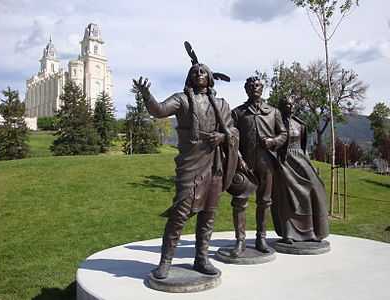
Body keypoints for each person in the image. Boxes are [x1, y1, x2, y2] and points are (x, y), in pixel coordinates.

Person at [133, 61, 238, 279]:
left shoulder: (221, 104)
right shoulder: (182, 100)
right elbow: (159, 110)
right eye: (195, 71)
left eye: (203, 71)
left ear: (209, 77)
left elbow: (233, 130)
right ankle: (165, 261)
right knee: (180, 214)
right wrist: (146, 95)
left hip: (214, 165)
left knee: (208, 215)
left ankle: (201, 258)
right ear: (189, 78)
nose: (199, 74)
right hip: (191, 164)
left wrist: (223, 136)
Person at [230, 76, 287, 256]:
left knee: (264, 202)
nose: (254, 88)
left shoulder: (273, 112)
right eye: (251, 86)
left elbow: (283, 134)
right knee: (240, 202)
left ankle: (261, 238)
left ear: (262, 88)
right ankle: (240, 241)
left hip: (266, 163)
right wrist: (238, 157)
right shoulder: (238, 113)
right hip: (244, 165)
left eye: (257, 85)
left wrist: (272, 142)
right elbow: (231, 137)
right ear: (246, 89)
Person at [272, 93, 329, 243]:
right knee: (287, 197)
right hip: (283, 162)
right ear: (281, 107)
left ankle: (310, 232)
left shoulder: (301, 124)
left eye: (291, 104)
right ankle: (288, 233)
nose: (289, 107)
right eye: (286, 104)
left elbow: (304, 149)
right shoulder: (275, 123)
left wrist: (309, 165)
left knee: (313, 189)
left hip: (300, 160)